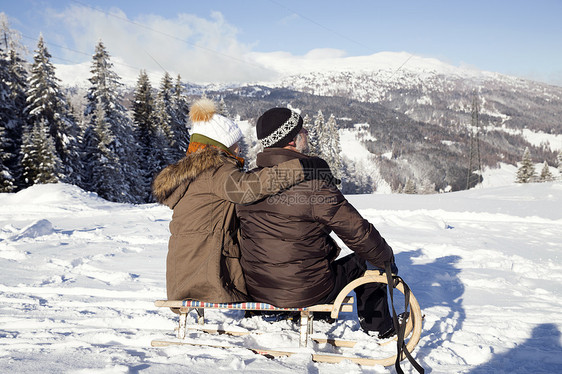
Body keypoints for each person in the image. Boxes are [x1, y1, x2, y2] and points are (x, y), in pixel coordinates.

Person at [236, 107, 397, 338]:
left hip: (258, 290)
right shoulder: (314, 186)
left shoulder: (247, 184)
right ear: (291, 139)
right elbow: (358, 233)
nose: (308, 132)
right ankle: (379, 328)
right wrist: (386, 260)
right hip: (306, 293)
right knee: (369, 258)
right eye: (302, 129)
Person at [152, 98, 331, 304]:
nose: (238, 149)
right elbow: (249, 188)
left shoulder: (195, 173)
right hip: (206, 273)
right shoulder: (215, 170)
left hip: (184, 270)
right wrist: (301, 167)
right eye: (234, 144)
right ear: (219, 147)